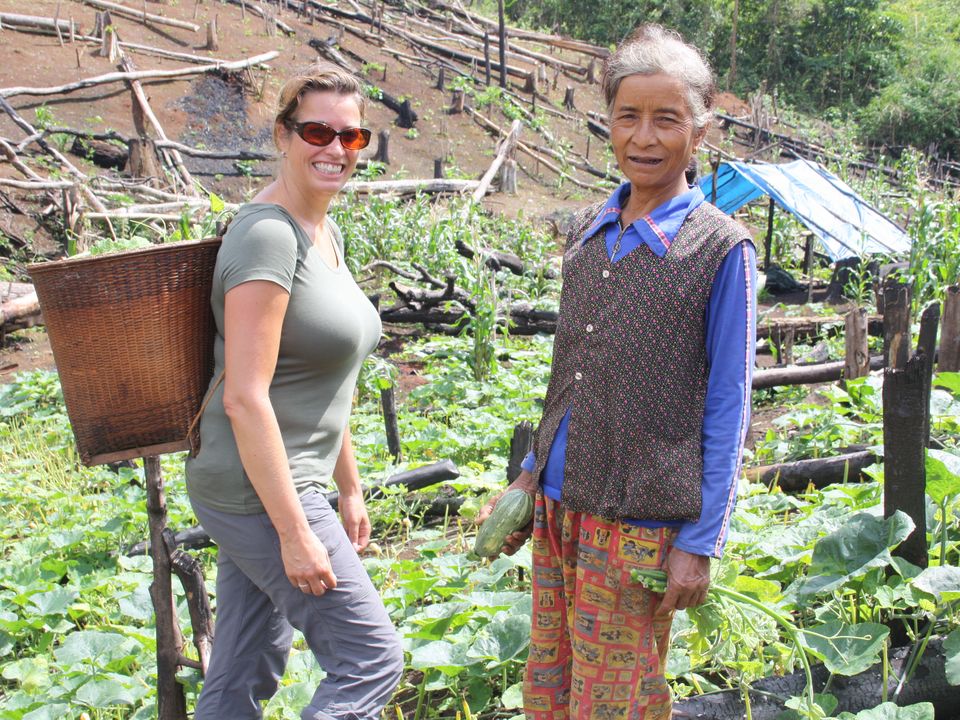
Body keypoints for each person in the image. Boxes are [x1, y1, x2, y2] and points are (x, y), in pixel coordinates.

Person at [478, 24, 757, 720]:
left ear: (702, 130)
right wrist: (527, 476)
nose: (645, 136)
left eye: (668, 119)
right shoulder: (587, 232)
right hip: (559, 504)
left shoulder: (720, 249)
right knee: (551, 685)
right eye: (628, 116)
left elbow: (729, 403)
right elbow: (569, 376)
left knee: (618, 702)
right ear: (609, 122)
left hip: (641, 522)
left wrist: (700, 543)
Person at [184, 63, 403, 720]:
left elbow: (322, 377)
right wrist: (294, 531)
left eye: (351, 137)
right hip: (260, 488)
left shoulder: (324, 231)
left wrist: (352, 485)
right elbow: (245, 397)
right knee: (371, 659)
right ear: (282, 135)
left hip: (281, 479)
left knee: (246, 666)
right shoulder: (269, 236)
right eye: (316, 131)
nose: (334, 149)